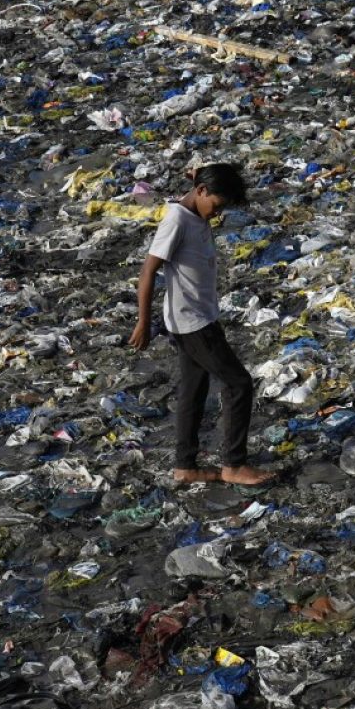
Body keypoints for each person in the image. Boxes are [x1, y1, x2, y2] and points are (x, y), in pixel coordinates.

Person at [128, 163, 271, 486]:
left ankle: (185, 466)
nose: (217, 215)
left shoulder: (193, 205)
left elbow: (197, 188)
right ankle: (234, 465)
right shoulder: (176, 220)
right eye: (216, 206)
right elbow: (148, 271)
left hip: (196, 316)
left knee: (194, 390)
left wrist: (196, 177)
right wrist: (143, 322)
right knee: (238, 384)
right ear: (203, 193)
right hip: (193, 322)